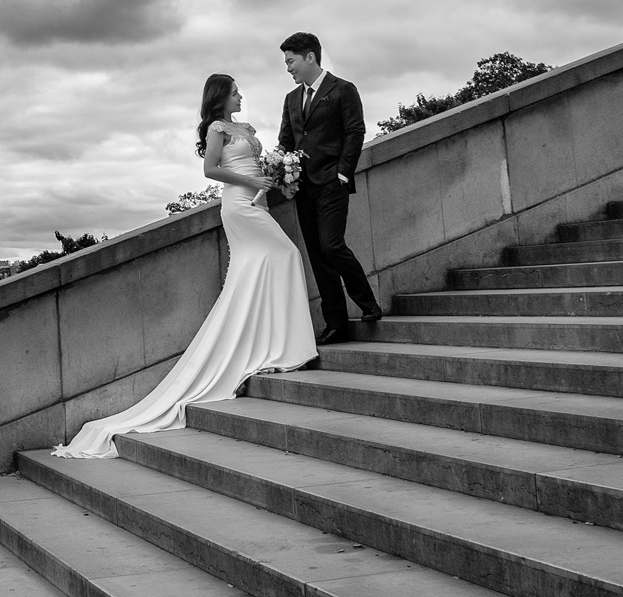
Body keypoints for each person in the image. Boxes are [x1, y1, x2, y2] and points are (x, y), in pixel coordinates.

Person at [54, 73, 317, 458]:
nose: (241, 94)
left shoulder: (244, 127)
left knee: (264, 267)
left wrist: (275, 175)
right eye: (235, 91)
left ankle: (273, 344)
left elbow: (259, 162)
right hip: (239, 204)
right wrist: (252, 178)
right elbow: (210, 171)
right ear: (222, 96)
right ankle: (277, 345)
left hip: (256, 200)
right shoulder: (217, 128)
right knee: (285, 255)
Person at [278, 32, 383, 343]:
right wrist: (280, 165)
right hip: (302, 188)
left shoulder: (343, 89)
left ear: (310, 57)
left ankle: (368, 303)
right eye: (286, 62)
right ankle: (336, 322)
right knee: (317, 256)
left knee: (331, 246)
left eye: (291, 61)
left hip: (331, 183)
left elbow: (355, 131)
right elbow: (287, 140)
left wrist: (342, 174)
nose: (288, 68)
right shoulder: (291, 99)